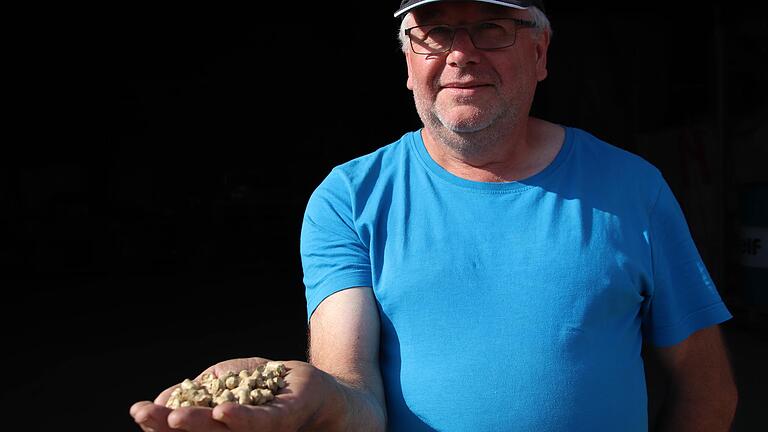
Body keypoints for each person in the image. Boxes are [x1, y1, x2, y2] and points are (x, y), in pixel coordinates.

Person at [130, 1, 738, 430]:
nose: (460, 55)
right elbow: (358, 400)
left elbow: (708, 389)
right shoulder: (350, 198)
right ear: (408, 60)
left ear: (541, 51)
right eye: (435, 31)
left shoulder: (633, 189)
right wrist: (322, 400)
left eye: (492, 28)